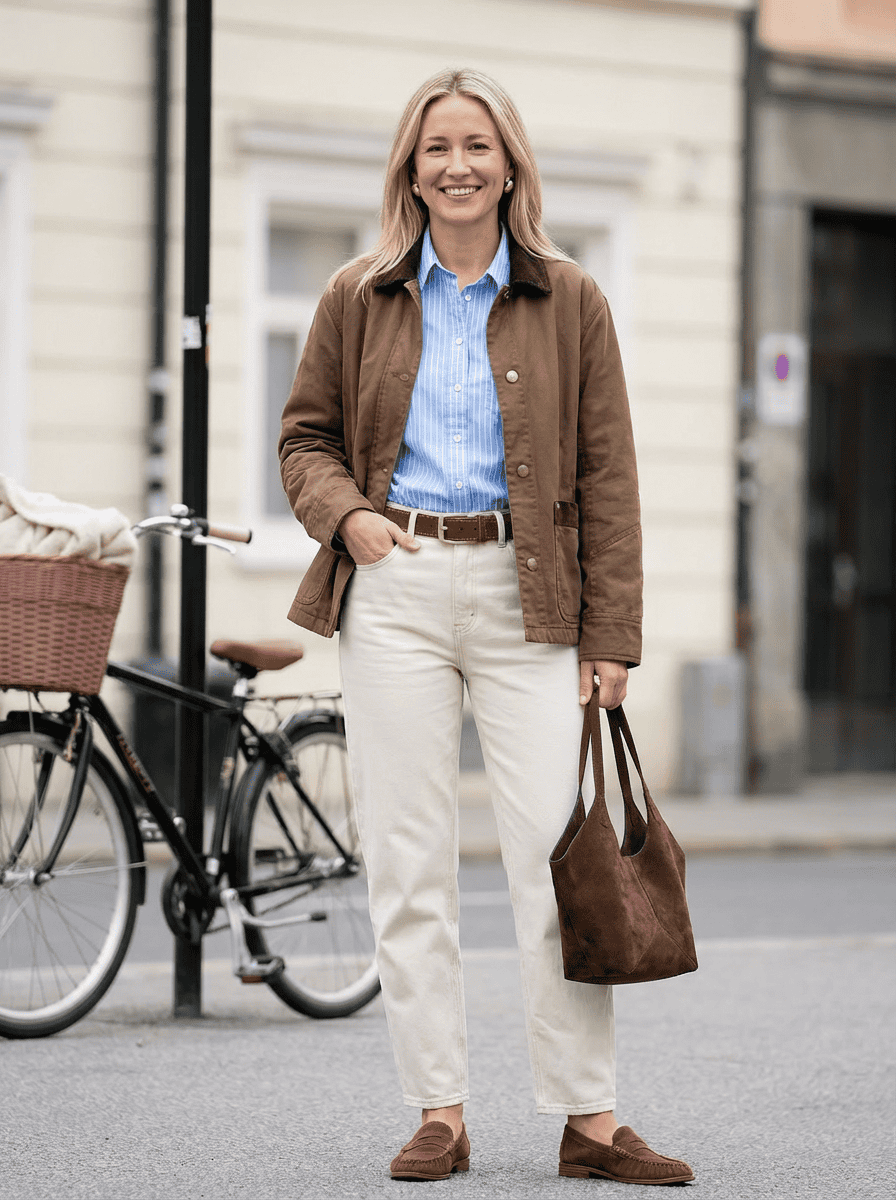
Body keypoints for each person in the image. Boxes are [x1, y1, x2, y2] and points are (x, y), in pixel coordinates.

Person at [279, 68, 693, 1186]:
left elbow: (607, 476)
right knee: (407, 864)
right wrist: (351, 520)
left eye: (473, 145)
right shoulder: (354, 294)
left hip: (531, 596)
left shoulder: (571, 298)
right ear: (409, 171)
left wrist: (610, 637)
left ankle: (587, 1122)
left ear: (508, 163)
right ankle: (439, 1111)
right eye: (432, 149)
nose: (454, 165)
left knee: (553, 863)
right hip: (398, 588)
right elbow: (303, 442)